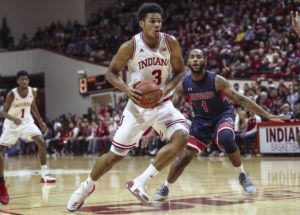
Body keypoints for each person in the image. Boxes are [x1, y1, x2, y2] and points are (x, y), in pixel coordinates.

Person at [67, 2, 189, 211]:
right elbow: (111, 73)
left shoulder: (171, 43)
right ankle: (85, 187)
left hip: (162, 104)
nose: (157, 24)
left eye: (159, 21)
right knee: (113, 157)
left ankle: (141, 181)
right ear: (142, 23)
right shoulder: (130, 46)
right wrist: (126, 89)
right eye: (152, 21)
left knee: (182, 136)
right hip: (137, 107)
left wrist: (165, 91)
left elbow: (180, 71)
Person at [153, 49, 289, 201]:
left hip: (222, 115)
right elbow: (172, 109)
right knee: (185, 157)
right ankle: (165, 187)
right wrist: (156, 127)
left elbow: (241, 100)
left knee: (225, 138)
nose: (196, 60)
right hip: (201, 121)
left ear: (204, 60)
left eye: (199, 57)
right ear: (188, 62)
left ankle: (243, 176)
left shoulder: (217, 80)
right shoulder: (183, 84)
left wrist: (268, 115)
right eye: (192, 57)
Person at [0, 70, 56, 205]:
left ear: (28, 81)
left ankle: (44, 174)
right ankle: (1, 183)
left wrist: (40, 121)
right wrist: (14, 118)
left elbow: (32, 105)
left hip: (27, 122)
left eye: (26, 79)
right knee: (0, 150)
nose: (24, 81)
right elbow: (2, 112)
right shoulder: (12, 94)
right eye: (22, 79)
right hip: (12, 125)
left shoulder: (33, 91)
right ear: (18, 81)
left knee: (40, 141)